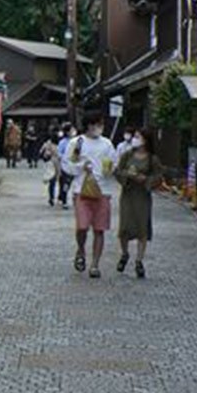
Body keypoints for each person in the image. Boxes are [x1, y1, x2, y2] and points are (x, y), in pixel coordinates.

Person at [61, 115, 118, 278]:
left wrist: (110, 169)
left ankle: (95, 264)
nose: (97, 128)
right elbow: (67, 164)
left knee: (99, 229)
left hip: (103, 190)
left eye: (99, 124)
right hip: (81, 189)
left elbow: (114, 163)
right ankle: (80, 250)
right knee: (82, 227)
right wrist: (81, 166)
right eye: (94, 124)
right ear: (87, 125)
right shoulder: (77, 142)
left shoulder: (107, 144)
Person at [115, 127, 162, 278]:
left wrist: (146, 180)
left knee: (142, 227)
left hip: (142, 196)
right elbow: (118, 171)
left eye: (137, 136)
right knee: (124, 228)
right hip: (128, 194)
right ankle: (125, 253)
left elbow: (158, 176)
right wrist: (127, 176)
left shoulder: (151, 159)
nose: (134, 139)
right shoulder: (127, 155)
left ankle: (139, 260)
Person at [55, 123, 76, 209]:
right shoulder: (63, 142)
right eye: (71, 130)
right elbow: (59, 153)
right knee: (65, 183)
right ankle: (64, 200)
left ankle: (61, 196)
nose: (73, 132)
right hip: (65, 165)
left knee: (69, 183)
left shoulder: (76, 141)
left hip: (74, 165)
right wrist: (66, 158)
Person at [40, 130, 61, 206]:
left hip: (53, 164)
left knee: (53, 182)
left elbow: (41, 152)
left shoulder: (47, 144)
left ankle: (54, 197)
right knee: (55, 181)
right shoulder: (54, 144)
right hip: (55, 163)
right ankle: (55, 197)